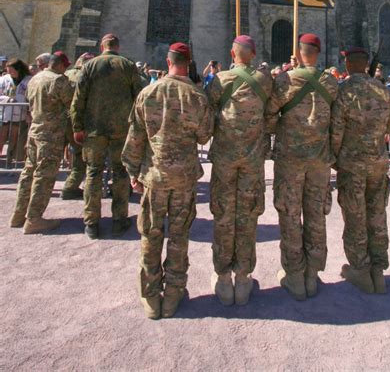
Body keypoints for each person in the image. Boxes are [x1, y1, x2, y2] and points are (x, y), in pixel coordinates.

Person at [122, 42, 213, 319]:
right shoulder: (196, 97)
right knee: (179, 236)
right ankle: (173, 294)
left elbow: (135, 139)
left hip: (154, 176)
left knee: (150, 234)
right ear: (190, 62)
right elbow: (204, 135)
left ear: (167, 60)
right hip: (184, 178)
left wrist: (132, 174)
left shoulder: (148, 93)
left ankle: (151, 296)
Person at [265, 33, 338, 301]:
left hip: (290, 160)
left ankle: (294, 275)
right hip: (319, 160)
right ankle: (313, 273)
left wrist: (281, 131)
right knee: (317, 215)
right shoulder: (330, 83)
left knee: (290, 215)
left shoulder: (286, 79)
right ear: (318, 52)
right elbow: (336, 119)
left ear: (299, 51)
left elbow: (270, 115)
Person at [206, 35, 273, 306]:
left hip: (224, 158)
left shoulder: (220, 80)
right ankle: (243, 278)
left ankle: (223, 279)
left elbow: (209, 112)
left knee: (223, 214)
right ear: (253, 54)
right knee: (247, 216)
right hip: (253, 160)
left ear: (232, 54)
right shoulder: (264, 81)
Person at [330, 47, 390, 294]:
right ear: (366, 64)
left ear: (348, 64)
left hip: (352, 163)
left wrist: (334, 157)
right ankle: (378, 270)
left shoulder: (344, 91)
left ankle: (360, 268)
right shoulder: (383, 89)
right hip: (378, 162)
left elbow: (336, 130)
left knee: (356, 215)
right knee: (377, 213)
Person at [70, 33, 143, 239]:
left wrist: (77, 127)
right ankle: (119, 220)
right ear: (117, 47)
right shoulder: (128, 66)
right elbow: (139, 97)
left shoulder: (90, 66)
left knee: (93, 173)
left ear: (102, 47)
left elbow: (78, 100)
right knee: (120, 173)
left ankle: (91, 223)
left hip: (94, 130)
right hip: (121, 130)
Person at [9, 52, 74, 233]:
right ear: (59, 65)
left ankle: (19, 214)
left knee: (28, 172)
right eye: (65, 66)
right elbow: (71, 103)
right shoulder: (58, 81)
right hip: (50, 135)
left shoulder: (35, 79)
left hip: (35, 132)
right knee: (44, 176)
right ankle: (34, 219)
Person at [61, 52, 95, 200]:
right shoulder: (87, 76)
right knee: (81, 155)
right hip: (77, 120)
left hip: (60, 119)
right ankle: (71, 187)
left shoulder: (66, 74)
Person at [0, 58, 31, 164]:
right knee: (1, 137)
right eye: (8, 70)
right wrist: (7, 99)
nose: (9, 72)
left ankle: (9, 160)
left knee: (14, 138)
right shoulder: (4, 79)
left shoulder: (28, 80)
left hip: (20, 113)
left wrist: (28, 111)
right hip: (4, 112)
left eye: (12, 70)